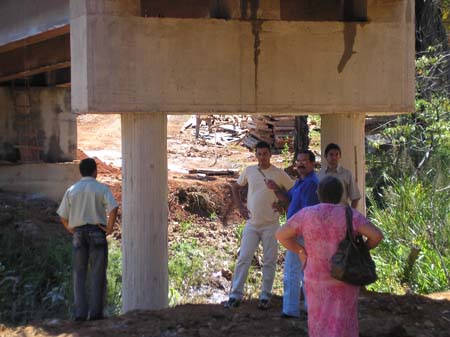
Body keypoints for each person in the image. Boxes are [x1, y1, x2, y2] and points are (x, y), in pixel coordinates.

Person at [276, 176, 383, 337]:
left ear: (318, 194)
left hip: (315, 278)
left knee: (319, 322)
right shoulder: (350, 215)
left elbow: (281, 235)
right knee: (343, 323)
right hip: (345, 276)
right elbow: (377, 236)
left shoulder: (306, 214)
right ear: (341, 194)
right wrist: (362, 250)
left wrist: (300, 250)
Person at [225, 141, 294, 310]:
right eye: (260, 154)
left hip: (271, 224)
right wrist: (240, 206)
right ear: (256, 155)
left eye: (265, 153)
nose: (262, 157)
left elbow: (293, 192)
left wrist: (283, 206)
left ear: (271, 154)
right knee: (243, 258)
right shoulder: (249, 171)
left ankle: (265, 295)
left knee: (270, 261)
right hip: (252, 224)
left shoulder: (279, 173)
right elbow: (235, 187)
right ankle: (235, 295)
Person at [57, 158, 118, 321]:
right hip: (97, 232)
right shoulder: (101, 188)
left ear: (80, 172)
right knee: (98, 274)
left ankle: (80, 315)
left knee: (79, 274)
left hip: (78, 233)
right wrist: (110, 228)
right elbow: (113, 207)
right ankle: (96, 315)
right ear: (95, 171)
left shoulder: (72, 189)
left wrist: (71, 228)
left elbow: (62, 215)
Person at [266, 150, 319, 319]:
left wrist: (294, 233)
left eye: (304, 161)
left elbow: (308, 212)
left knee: (292, 270)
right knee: (305, 271)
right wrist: (275, 189)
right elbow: (288, 199)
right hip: (296, 230)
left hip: (300, 232)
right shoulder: (299, 182)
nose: (301, 164)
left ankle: (290, 310)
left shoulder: (312, 184)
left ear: (312, 163)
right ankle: (310, 308)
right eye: (298, 161)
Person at [318, 143, 360, 208]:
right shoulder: (320, 174)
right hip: (324, 214)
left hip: (342, 213)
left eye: (337, 154)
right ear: (326, 156)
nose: (334, 157)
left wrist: (351, 214)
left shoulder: (347, 174)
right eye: (331, 154)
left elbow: (355, 197)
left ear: (340, 156)